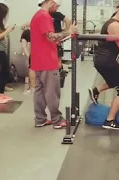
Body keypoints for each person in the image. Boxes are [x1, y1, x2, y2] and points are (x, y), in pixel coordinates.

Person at [30, 0, 77, 129]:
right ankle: (57, 120)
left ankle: (40, 119)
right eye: (57, 5)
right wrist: (69, 31)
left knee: (39, 91)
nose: (57, 8)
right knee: (52, 91)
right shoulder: (45, 16)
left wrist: (58, 39)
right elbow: (51, 37)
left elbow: (46, 38)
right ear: (51, 2)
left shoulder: (37, 15)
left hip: (38, 59)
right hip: (47, 60)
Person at [20, 23, 35, 95]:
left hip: (32, 54)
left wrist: (29, 56)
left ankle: (32, 88)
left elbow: (24, 46)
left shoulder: (26, 32)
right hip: (41, 53)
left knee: (31, 69)